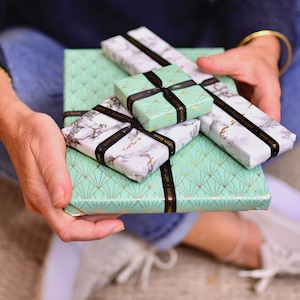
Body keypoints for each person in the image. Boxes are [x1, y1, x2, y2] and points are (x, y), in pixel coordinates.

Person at [0, 0, 300, 298]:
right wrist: (10, 117)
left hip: (216, 40)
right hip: (50, 41)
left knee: (285, 67)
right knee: (34, 113)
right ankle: (225, 231)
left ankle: (117, 207)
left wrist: (264, 44)